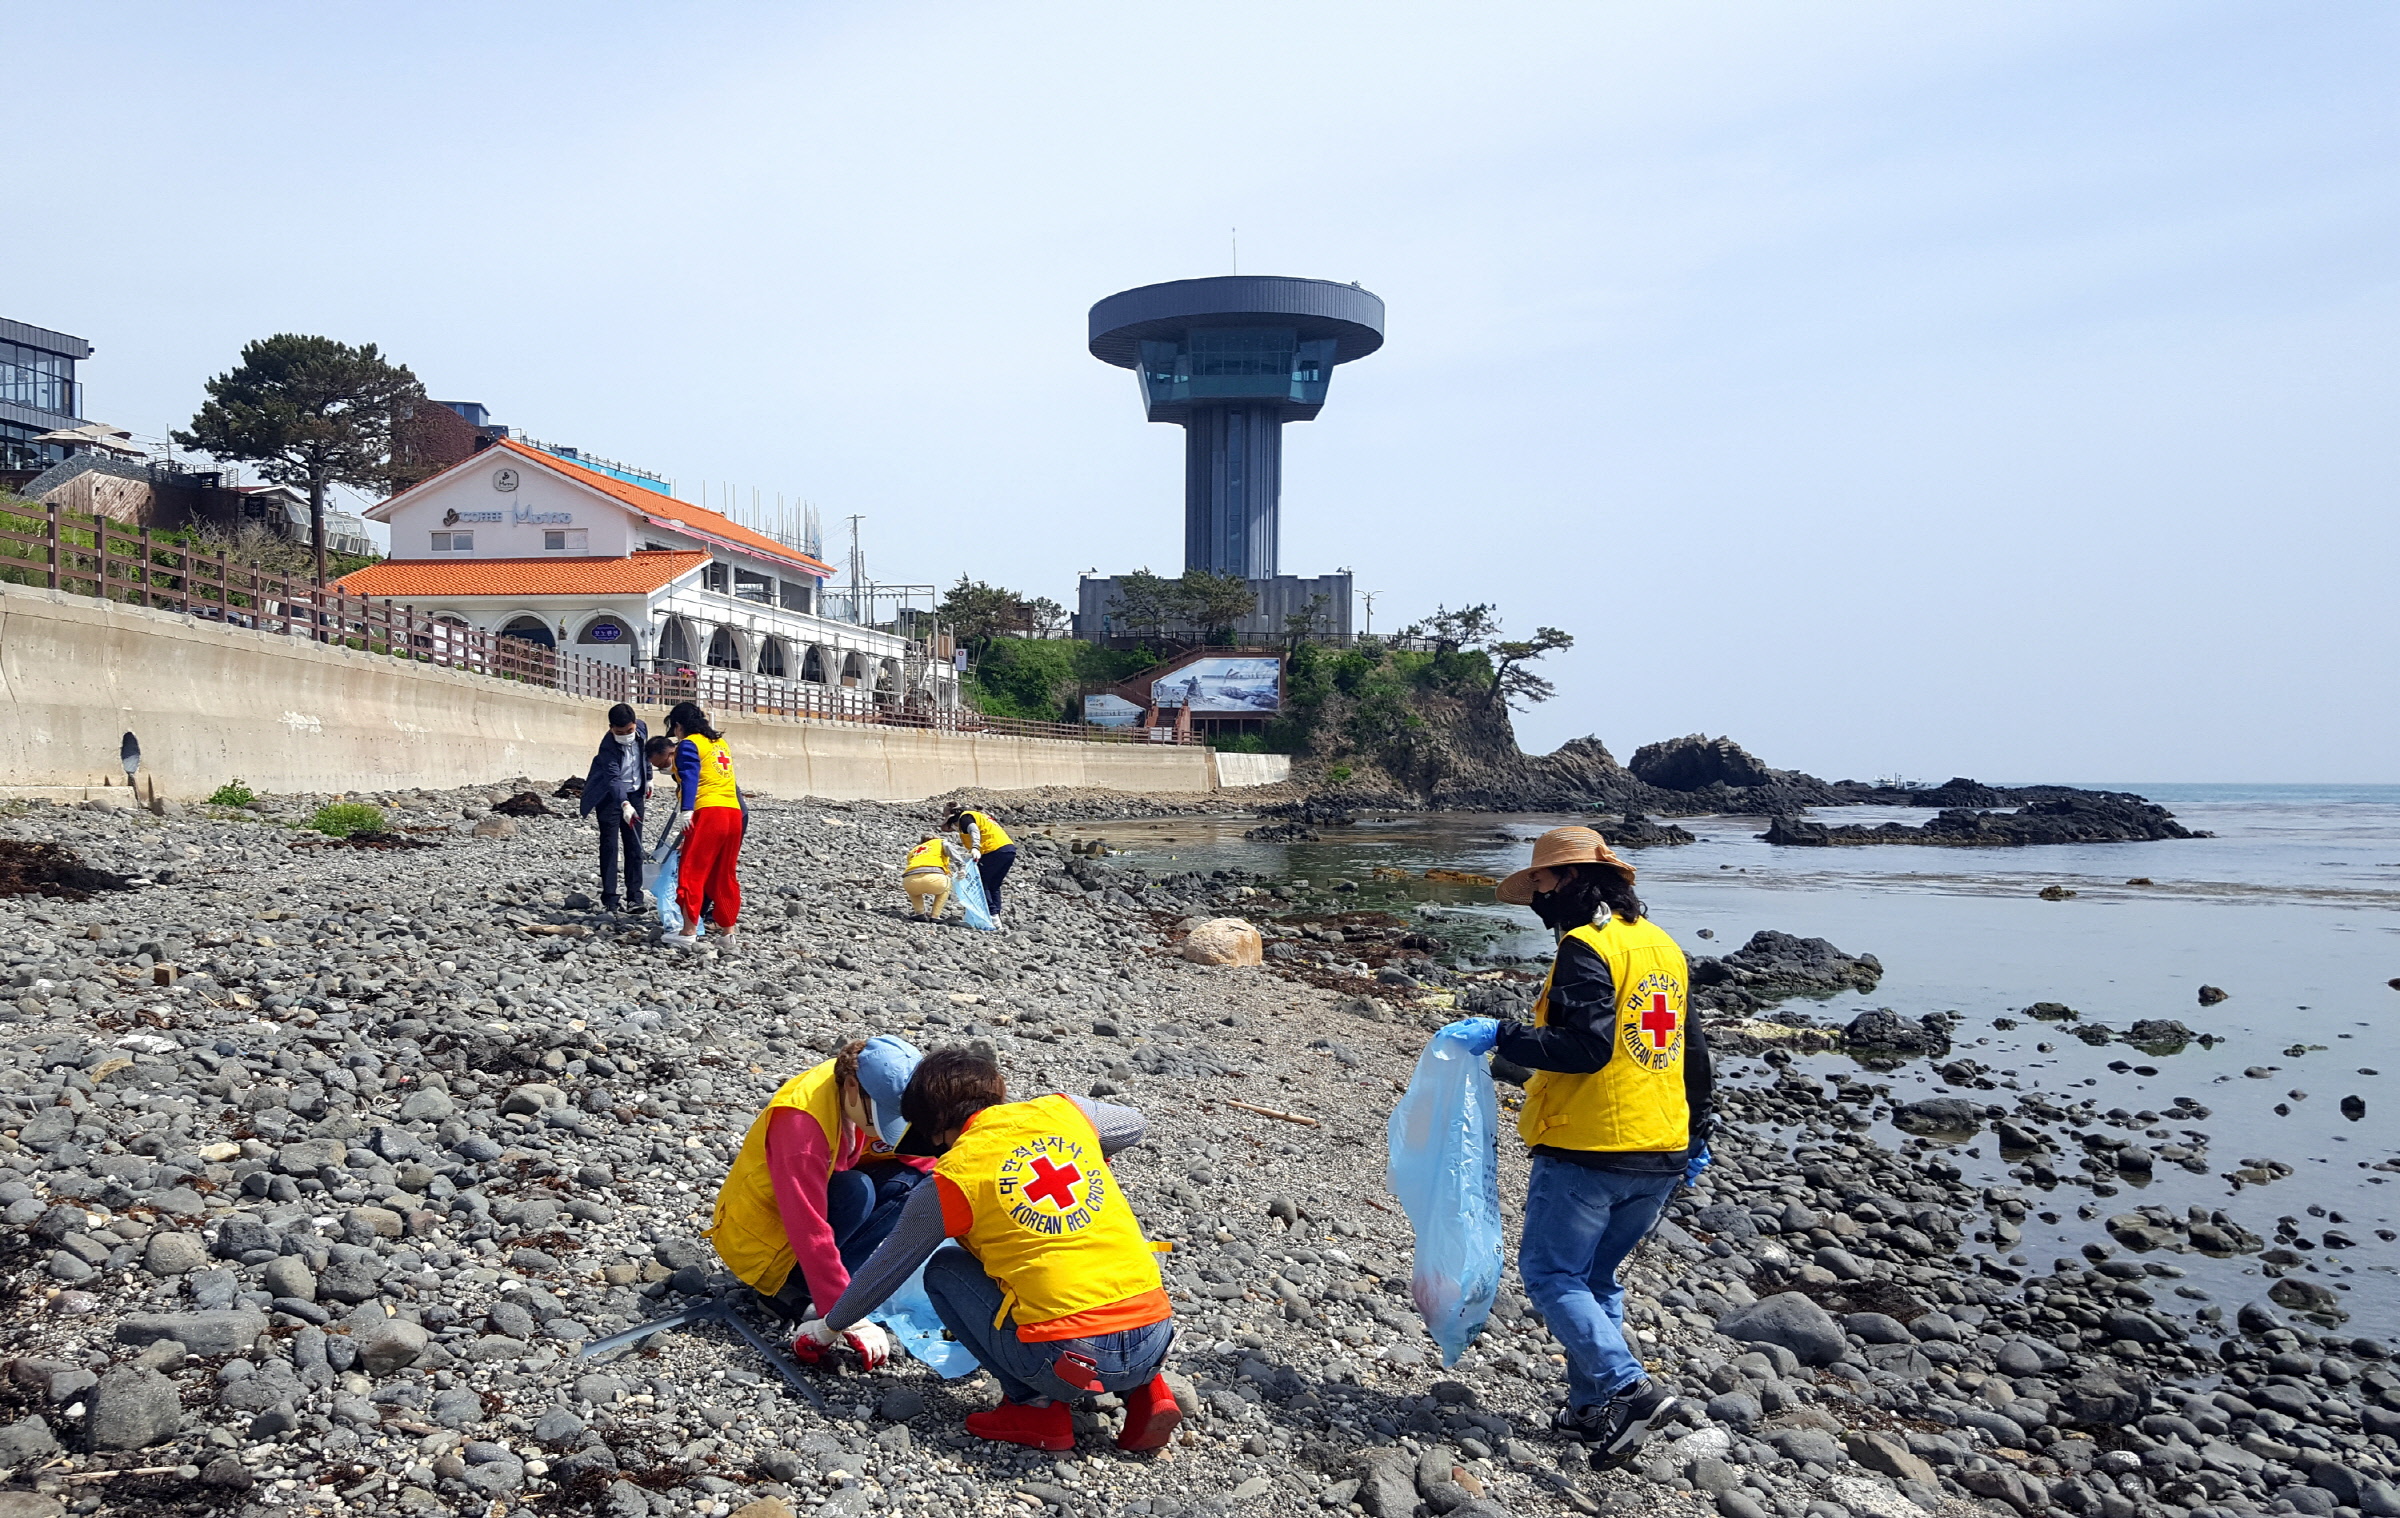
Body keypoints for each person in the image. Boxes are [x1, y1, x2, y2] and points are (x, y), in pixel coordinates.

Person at [1450, 825, 1712, 1459]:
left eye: (1540, 882)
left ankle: (1628, 1389)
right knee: (1596, 1280)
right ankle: (1591, 1412)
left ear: (1570, 879)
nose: (1537, 896)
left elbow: (1588, 1049)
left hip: (1591, 1147)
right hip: (1661, 1149)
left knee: (1550, 1274)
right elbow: (1693, 1054)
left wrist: (1502, 1035)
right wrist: (1698, 1133)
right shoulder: (1661, 947)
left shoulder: (1585, 948)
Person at [801, 1047, 1182, 1454]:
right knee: (1097, 1256)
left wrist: (829, 1327)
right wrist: (1085, 1151)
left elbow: (887, 1269)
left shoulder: (953, 1178)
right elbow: (1133, 1124)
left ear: (937, 1130)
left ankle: (1036, 1409)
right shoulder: (1060, 1113)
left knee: (944, 1268)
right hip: (1157, 1336)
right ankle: (1149, 1390)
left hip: (1072, 1361)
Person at [708, 1037, 929, 1348]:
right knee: (857, 1190)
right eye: (883, 1117)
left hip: (821, 1194)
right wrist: (843, 1314)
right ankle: (790, 1288)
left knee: (915, 1181)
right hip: (765, 1237)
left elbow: (917, 1156)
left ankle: (835, 1282)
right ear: (852, 1086)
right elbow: (807, 1226)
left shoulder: (860, 1085)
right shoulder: (801, 1124)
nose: (885, 1129)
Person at [650, 701, 744, 949]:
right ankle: (728, 933)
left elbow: (691, 777)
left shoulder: (689, 744)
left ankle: (688, 930)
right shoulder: (719, 744)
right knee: (724, 873)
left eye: (675, 730)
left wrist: (687, 810)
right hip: (733, 812)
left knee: (692, 870)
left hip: (707, 812)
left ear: (679, 725)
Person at [578, 703, 650, 914]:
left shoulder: (642, 730)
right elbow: (613, 777)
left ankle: (635, 898)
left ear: (635, 724)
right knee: (609, 846)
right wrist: (623, 803)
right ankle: (610, 898)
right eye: (620, 732)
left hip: (635, 793)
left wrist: (650, 779)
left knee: (635, 846)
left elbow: (645, 757)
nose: (626, 735)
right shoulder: (608, 745)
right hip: (609, 796)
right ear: (611, 728)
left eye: (629, 731)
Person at [943, 803, 1019, 922]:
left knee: (982, 882)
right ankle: (996, 917)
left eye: (952, 825)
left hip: (993, 850)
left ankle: (992, 914)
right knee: (994, 885)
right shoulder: (979, 816)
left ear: (954, 818)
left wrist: (975, 847)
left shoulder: (965, 818)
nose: (954, 828)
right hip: (1008, 850)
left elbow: (974, 830)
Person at [901, 832, 959, 922]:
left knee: (913, 889)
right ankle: (935, 916)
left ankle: (919, 913)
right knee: (946, 886)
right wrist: (962, 867)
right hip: (934, 879)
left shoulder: (914, 850)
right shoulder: (941, 842)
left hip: (909, 880)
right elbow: (952, 852)